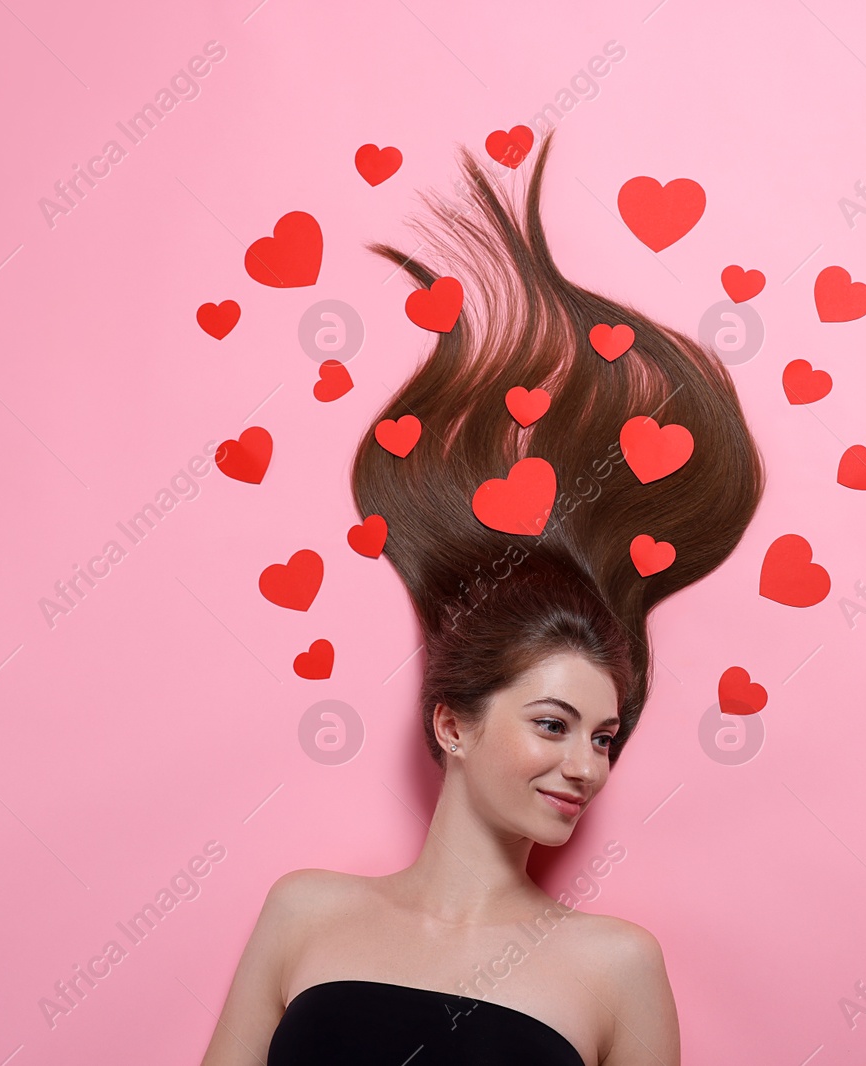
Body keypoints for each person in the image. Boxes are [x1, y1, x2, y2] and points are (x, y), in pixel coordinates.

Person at [198, 131, 765, 1066]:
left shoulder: (614, 968)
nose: (586, 764)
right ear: (453, 723)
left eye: (603, 737)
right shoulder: (306, 913)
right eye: (553, 724)